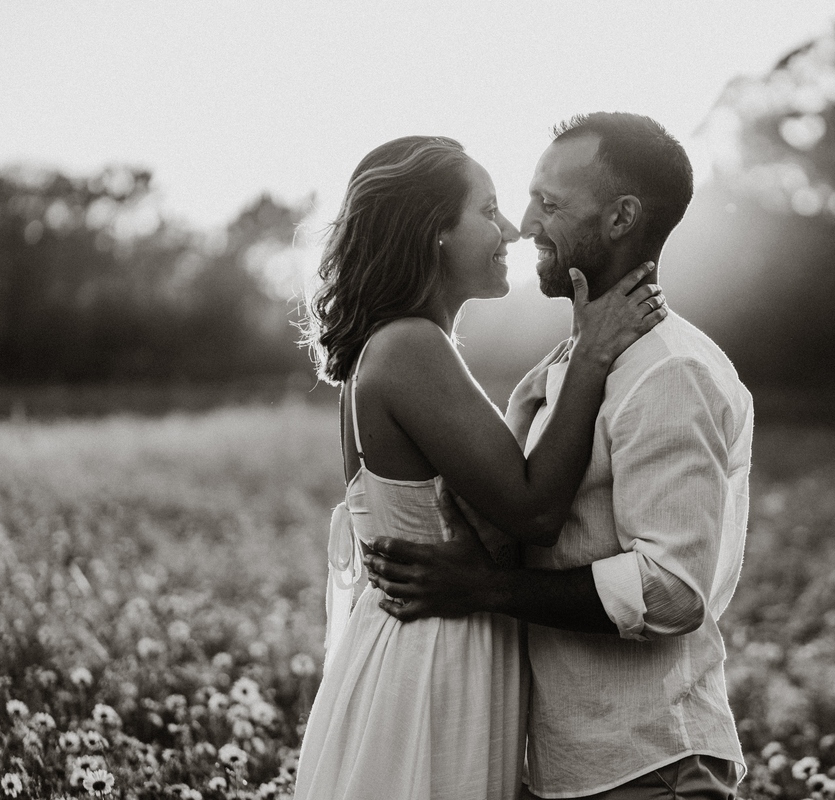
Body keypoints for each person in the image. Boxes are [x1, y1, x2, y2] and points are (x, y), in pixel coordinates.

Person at [365, 113, 754, 799]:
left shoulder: (666, 371)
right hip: (570, 764)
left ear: (620, 217)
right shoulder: (564, 371)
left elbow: (670, 590)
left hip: (650, 764)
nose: (523, 221)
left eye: (549, 202)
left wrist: (484, 590)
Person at [293, 134, 668, 800]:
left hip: (435, 647)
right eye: (487, 209)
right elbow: (534, 510)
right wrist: (590, 356)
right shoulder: (409, 345)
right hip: (431, 660)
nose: (510, 230)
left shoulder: (403, 345)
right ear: (433, 232)